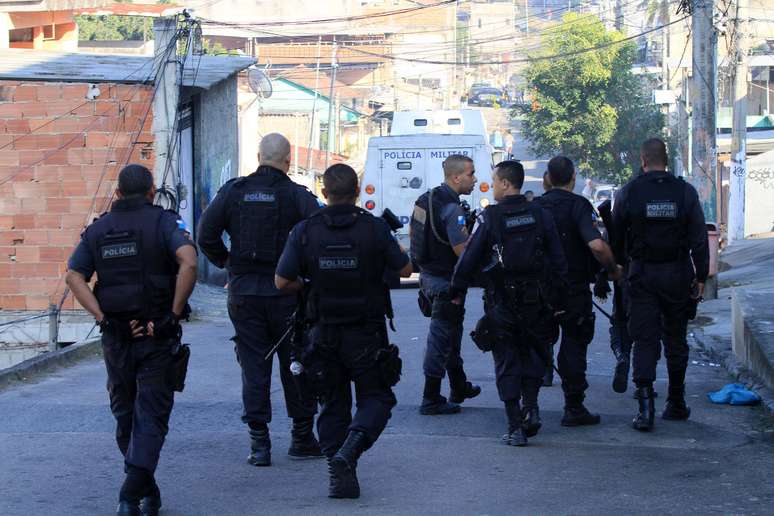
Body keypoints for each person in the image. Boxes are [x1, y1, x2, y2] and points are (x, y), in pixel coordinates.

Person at [65, 164, 198, 515]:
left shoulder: (98, 230)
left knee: (126, 417)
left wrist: (104, 320)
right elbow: (189, 262)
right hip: (156, 334)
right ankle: (133, 493)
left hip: (118, 339)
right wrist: (172, 313)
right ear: (152, 192)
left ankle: (142, 492)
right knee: (151, 417)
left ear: (118, 193)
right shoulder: (165, 223)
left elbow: (74, 276)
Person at [275, 164, 412, 498]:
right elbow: (406, 268)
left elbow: (281, 281)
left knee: (332, 403)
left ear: (324, 193)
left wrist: (308, 284)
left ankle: (338, 471)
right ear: (358, 191)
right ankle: (349, 453)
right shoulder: (375, 229)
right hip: (366, 332)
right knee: (377, 397)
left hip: (321, 333)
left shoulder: (305, 231)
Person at [197, 133, 323, 466]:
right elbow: (320, 232)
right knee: (295, 363)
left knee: (254, 365)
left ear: (258, 156)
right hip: (287, 295)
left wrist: (226, 262)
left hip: (244, 293)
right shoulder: (297, 196)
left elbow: (205, 234)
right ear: (288, 159)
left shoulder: (234, 192)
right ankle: (301, 437)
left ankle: (259, 445)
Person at [450, 160, 567, 446]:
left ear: (505, 183)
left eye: (493, 180)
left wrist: (456, 290)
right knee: (534, 354)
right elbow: (558, 259)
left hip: (502, 301)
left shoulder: (491, 217)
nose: (491, 185)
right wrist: (559, 297)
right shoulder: (540, 213)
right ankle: (532, 407)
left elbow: (469, 258)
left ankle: (515, 426)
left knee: (506, 360)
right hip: (537, 300)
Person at [611, 138, 709, 431]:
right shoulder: (684, 192)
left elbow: (615, 234)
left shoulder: (630, 192)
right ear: (667, 160)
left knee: (644, 339)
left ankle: (644, 408)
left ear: (643, 160)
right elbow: (699, 238)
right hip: (677, 273)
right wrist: (701, 276)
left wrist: (618, 267)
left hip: (641, 274)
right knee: (676, 338)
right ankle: (676, 402)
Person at [535, 157, 622, 426]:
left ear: (547, 177)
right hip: (573, 290)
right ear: (573, 177)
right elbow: (596, 245)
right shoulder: (579, 206)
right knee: (573, 346)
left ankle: (528, 408)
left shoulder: (535, 207)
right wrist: (611, 269)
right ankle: (573, 408)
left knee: (535, 346)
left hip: (539, 291)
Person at [409, 154, 481, 415]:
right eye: (471, 174)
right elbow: (463, 249)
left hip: (428, 276)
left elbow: (415, 236)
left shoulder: (428, 198)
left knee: (451, 333)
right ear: (456, 177)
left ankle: (458, 385)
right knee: (441, 338)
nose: (475, 179)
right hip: (445, 282)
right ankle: (431, 397)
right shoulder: (452, 209)